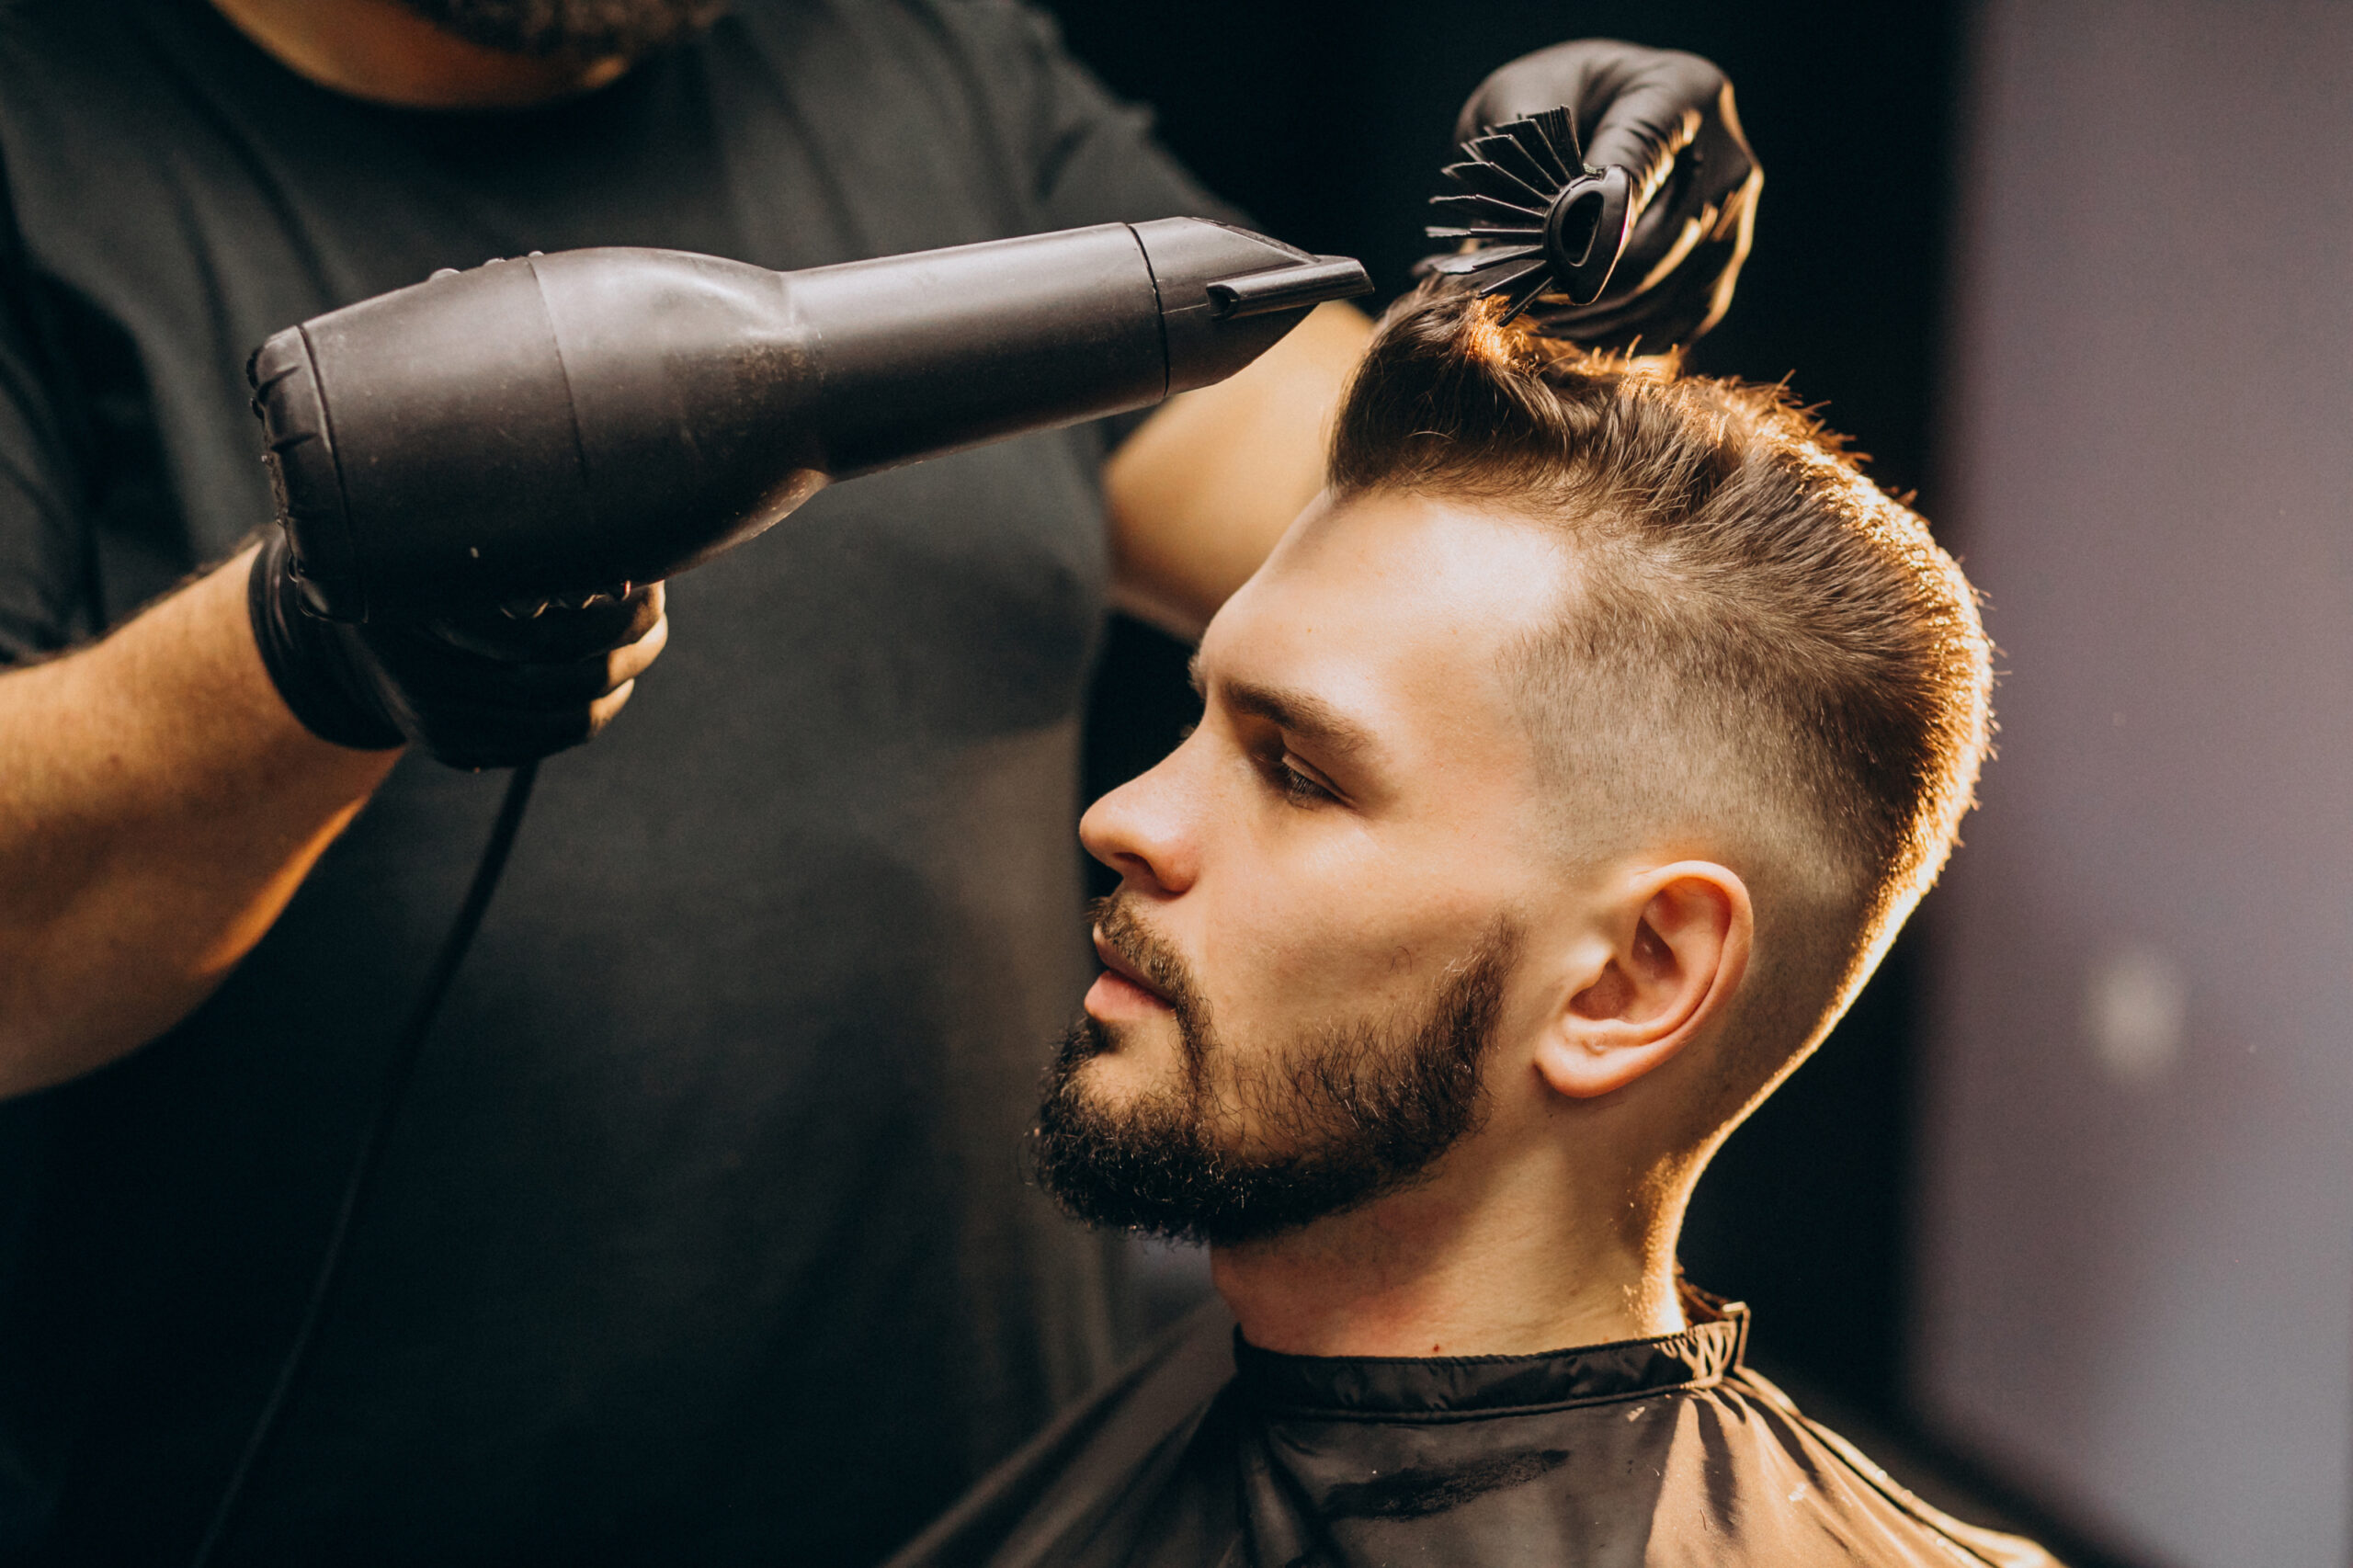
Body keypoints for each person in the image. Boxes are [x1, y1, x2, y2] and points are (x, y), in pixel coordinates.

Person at [0, 2, 1757, 1561]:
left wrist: (1535, 318)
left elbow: (1393, 530)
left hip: (1010, 1513)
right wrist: (301, 649)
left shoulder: (918, 54)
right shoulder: (42, 145)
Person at [886, 290, 2057, 1568]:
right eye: (1196, 720)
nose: (1123, 817)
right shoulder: (1192, 1404)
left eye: (1299, 775)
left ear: (1629, 979)